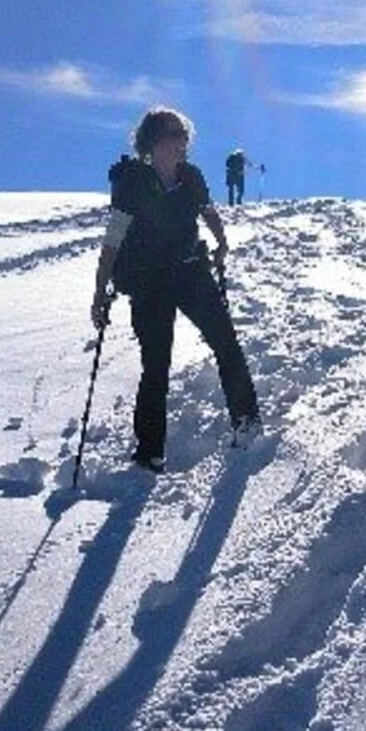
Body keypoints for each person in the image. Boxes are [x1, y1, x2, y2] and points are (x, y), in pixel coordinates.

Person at [92, 107, 260, 472]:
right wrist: (99, 291)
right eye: (173, 133)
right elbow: (113, 240)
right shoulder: (134, 183)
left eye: (183, 133)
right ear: (152, 140)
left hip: (190, 271)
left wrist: (221, 241)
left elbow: (207, 211)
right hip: (148, 282)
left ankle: (247, 420)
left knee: (225, 341)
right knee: (156, 364)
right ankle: (148, 452)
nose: (181, 140)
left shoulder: (191, 177)